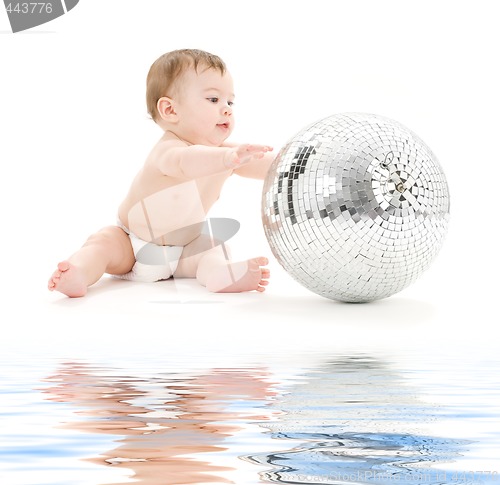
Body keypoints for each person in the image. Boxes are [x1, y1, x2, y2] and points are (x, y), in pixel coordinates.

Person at [48, 49, 274, 298]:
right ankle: (78, 273)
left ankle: (219, 274)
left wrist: (297, 161)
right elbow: (185, 163)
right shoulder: (169, 150)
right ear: (170, 110)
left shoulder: (227, 155)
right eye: (213, 100)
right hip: (132, 246)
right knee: (102, 243)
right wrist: (228, 159)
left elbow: (269, 166)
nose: (227, 109)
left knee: (213, 246)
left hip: (182, 250)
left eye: (230, 102)